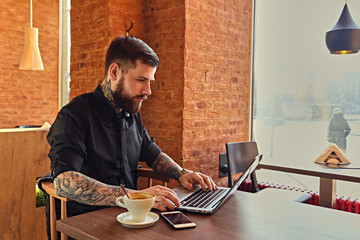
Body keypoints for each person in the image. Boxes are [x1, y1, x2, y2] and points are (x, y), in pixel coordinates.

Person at [47, 36, 217, 220]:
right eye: (141, 80)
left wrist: (182, 174)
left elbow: (153, 154)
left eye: (150, 81)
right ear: (114, 72)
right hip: (87, 222)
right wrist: (132, 197)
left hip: (132, 217)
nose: (148, 91)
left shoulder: (131, 113)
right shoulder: (74, 114)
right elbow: (65, 181)